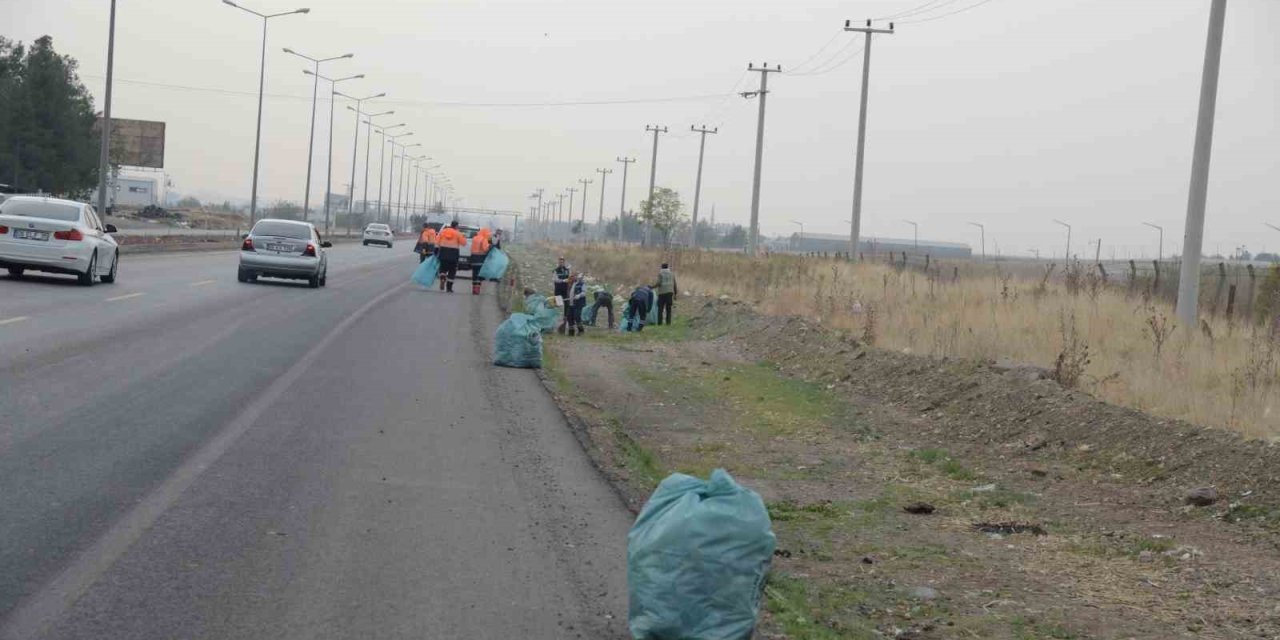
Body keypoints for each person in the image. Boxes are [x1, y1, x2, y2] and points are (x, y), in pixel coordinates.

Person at [435, 221, 466, 292]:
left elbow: (437, 242)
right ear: (456, 226)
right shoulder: (458, 233)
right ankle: (449, 288)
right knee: (452, 270)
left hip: (443, 251)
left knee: (443, 267)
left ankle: (442, 278)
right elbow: (463, 243)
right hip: (453, 253)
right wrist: (463, 236)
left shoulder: (443, 231)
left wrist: (436, 251)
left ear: (450, 225)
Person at [470, 228, 492, 295]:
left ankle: (473, 288)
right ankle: (477, 289)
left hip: (473, 258)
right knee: (479, 274)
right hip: (480, 258)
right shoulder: (484, 239)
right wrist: (490, 247)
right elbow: (485, 249)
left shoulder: (474, 238)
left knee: (474, 273)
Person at [553, 257, 571, 332]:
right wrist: (563, 280)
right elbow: (555, 280)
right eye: (560, 262)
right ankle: (556, 320)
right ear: (558, 263)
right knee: (558, 305)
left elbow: (570, 278)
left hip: (566, 290)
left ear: (564, 263)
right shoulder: (555, 270)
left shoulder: (567, 270)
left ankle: (565, 320)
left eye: (562, 262)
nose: (561, 263)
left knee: (567, 305)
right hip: (558, 290)